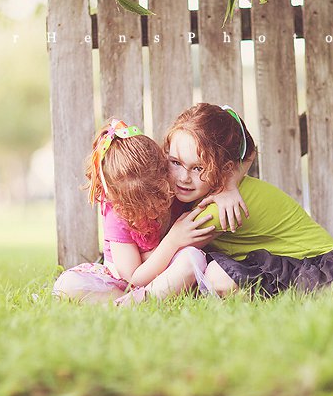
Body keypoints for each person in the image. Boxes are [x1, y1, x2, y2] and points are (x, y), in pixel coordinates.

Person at [164, 103, 333, 297]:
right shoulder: (216, 191)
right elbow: (249, 150)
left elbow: (157, 261)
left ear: (226, 166)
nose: (183, 178)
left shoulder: (213, 210)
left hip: (318, 263)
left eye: (198, 168)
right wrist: (230, 182)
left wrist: (174, 238)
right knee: (217, 276)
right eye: (175, 162)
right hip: (269, 273)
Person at [53, 119, 214, 303]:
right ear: (115, 197)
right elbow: (133, 277)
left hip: (163, 274)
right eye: (138, 205)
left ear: (163, 172)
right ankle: (137, 302)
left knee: (192, 259)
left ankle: (129, 303)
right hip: (120, 282)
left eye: (156, 196)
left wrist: (230, 190)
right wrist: (173, 240)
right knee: (68, 286)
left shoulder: (175, 188)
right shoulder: (116, 212)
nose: (151, 210)